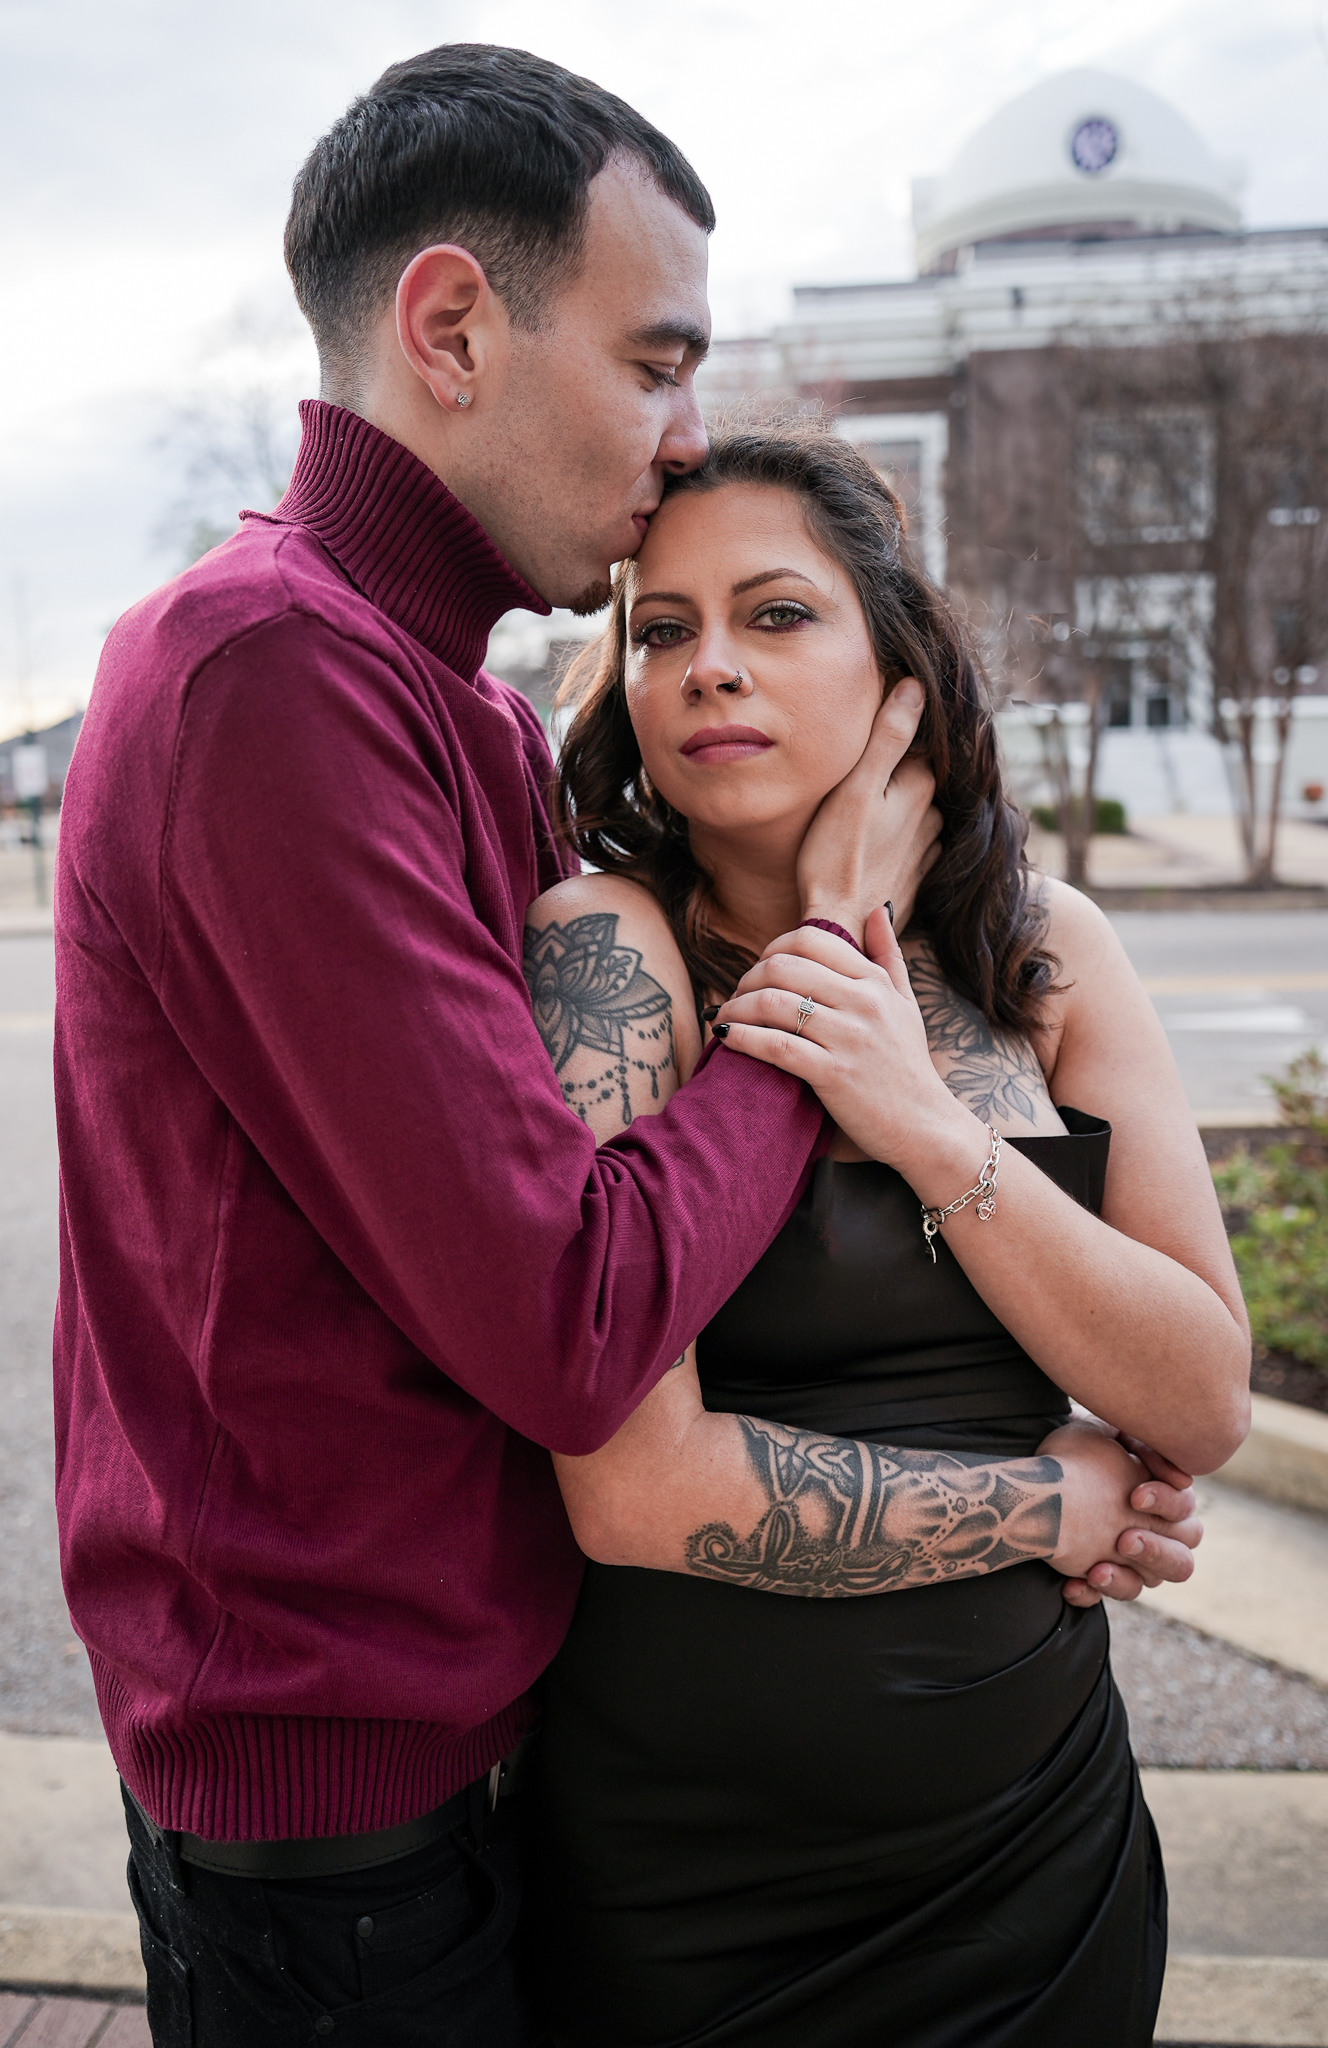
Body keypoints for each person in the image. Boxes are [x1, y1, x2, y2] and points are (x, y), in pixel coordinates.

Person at [51, 46, 1204, 2048]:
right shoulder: (269, 673)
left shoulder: (457, 711)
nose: (682, 438)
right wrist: (828, 977)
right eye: (657, 363)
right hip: (344, 1816)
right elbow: (577, 1327)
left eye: (779, 615)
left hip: (549, 1771)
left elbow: (1186, 1369)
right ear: (450, 329)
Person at [521, 422, 1251, 2047]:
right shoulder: (605, 958)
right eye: (663, 629)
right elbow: (634, 1494)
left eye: (777, 613)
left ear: (899, 669)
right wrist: (1053, 1505)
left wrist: (921, 1118)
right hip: (690, 1884)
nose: (710, 666)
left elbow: (1201, 1399)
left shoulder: (1043, 956)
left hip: (1031, 1860)